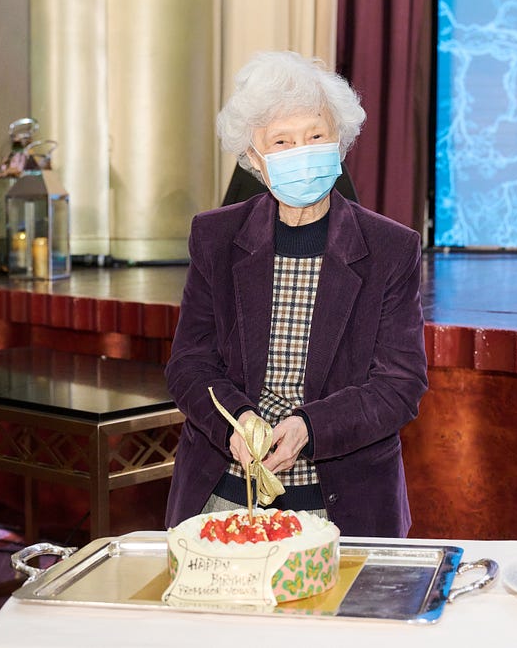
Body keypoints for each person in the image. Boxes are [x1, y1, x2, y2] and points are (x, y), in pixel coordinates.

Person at [163, 50, 428, 537]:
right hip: (226, 491)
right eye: (281, 141)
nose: (301, 152)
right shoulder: (215, 238)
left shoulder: (391, 247)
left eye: (315, 136)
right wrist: (237, 421)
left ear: (340, 143)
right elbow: (189, 364)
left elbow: (399, 385)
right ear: (254, 160)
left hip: (346, 502)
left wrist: (309, 427)